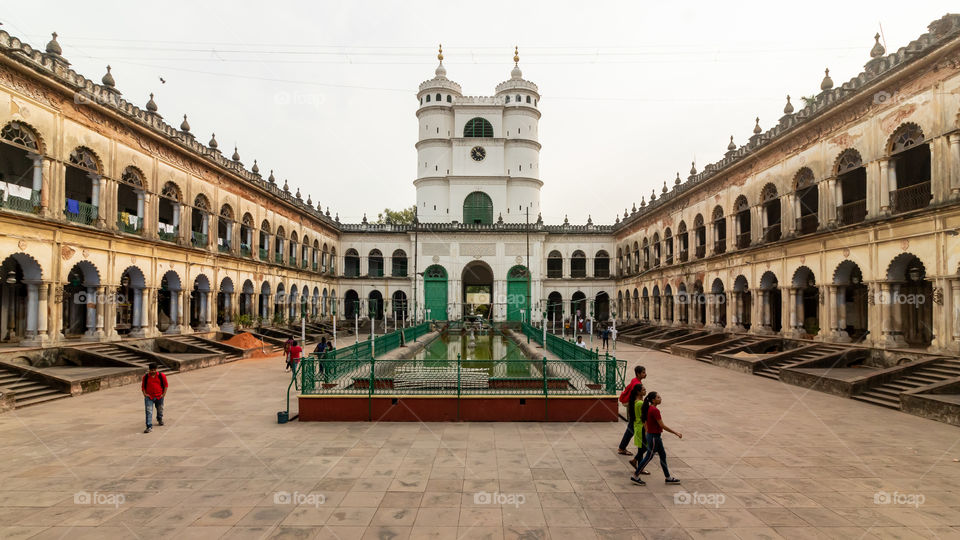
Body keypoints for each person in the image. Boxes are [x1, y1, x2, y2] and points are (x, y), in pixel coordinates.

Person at [631, 392, 682, 485]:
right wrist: (675, 432)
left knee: (663, 455)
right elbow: (662, 425)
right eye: (658, 397)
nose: (660, 398)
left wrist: (647, 432)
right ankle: (635, 475)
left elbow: (645, 421)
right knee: (648, 457)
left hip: (654, 436)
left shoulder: (649, 408)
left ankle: (668, 477)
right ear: (653, 400)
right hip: (654, 437)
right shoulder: (654, 410)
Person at [617, 365, 646, 455]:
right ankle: (622, 448)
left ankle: (622, 447)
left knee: (632, 427)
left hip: (632, 405)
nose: (645, 374)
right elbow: (637, 397)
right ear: (638, 373)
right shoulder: (636, 384)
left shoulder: (635, 380)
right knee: (632, 427)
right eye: (643, 372)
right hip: (633, 405)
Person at [141, 363, 168, 434]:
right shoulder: (146, 377)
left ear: (156, 369)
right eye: (151, 370)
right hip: (149, 397)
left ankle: (159, 418)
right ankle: (149, 426)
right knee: (148, 411)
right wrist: (145, 394)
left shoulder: (161, 376)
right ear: (149, 370)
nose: (153, 371)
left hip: (159, 396)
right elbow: (143, 387)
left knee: (160, 409)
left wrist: (163, 394)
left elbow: (166, 385)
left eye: (154, 370)